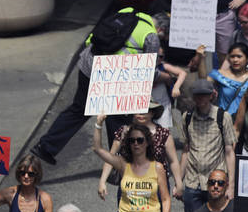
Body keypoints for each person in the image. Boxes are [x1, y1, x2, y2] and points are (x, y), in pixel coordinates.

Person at [31, 9, 159, 166]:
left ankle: (45, 147)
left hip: (90, 65)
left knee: (79, 109)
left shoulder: (125, 12)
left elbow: (93, 38)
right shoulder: (151, 36)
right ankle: (117, 166)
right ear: (161, 29)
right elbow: (149, 71)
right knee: (118, 119)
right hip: (113, 75)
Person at [92, 120, 168, 212]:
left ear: (147, 143)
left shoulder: (157, 167)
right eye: (132, 140)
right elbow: (98, 149)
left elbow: (165, 199)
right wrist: (98, 124)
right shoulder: (123, 164)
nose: (136, 144)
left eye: (140, 140)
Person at [174, 80, 238, 212]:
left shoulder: (223, 117)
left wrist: (231, 186)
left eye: (204, 95)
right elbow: (186, 151)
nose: (200, 98)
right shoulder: (187, 117)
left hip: (215, 181)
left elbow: (229, 152)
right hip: (193, 182)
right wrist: (178, 182)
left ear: (211, 95)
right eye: (197, 95)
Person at [207, 42, 248, 115]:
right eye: (232, 56)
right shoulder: (220, 75)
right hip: (224, 119)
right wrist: (201, 58)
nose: (235, 60)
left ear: (247, 59)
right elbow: (203, 82)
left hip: (246, 120)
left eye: (239, 56)